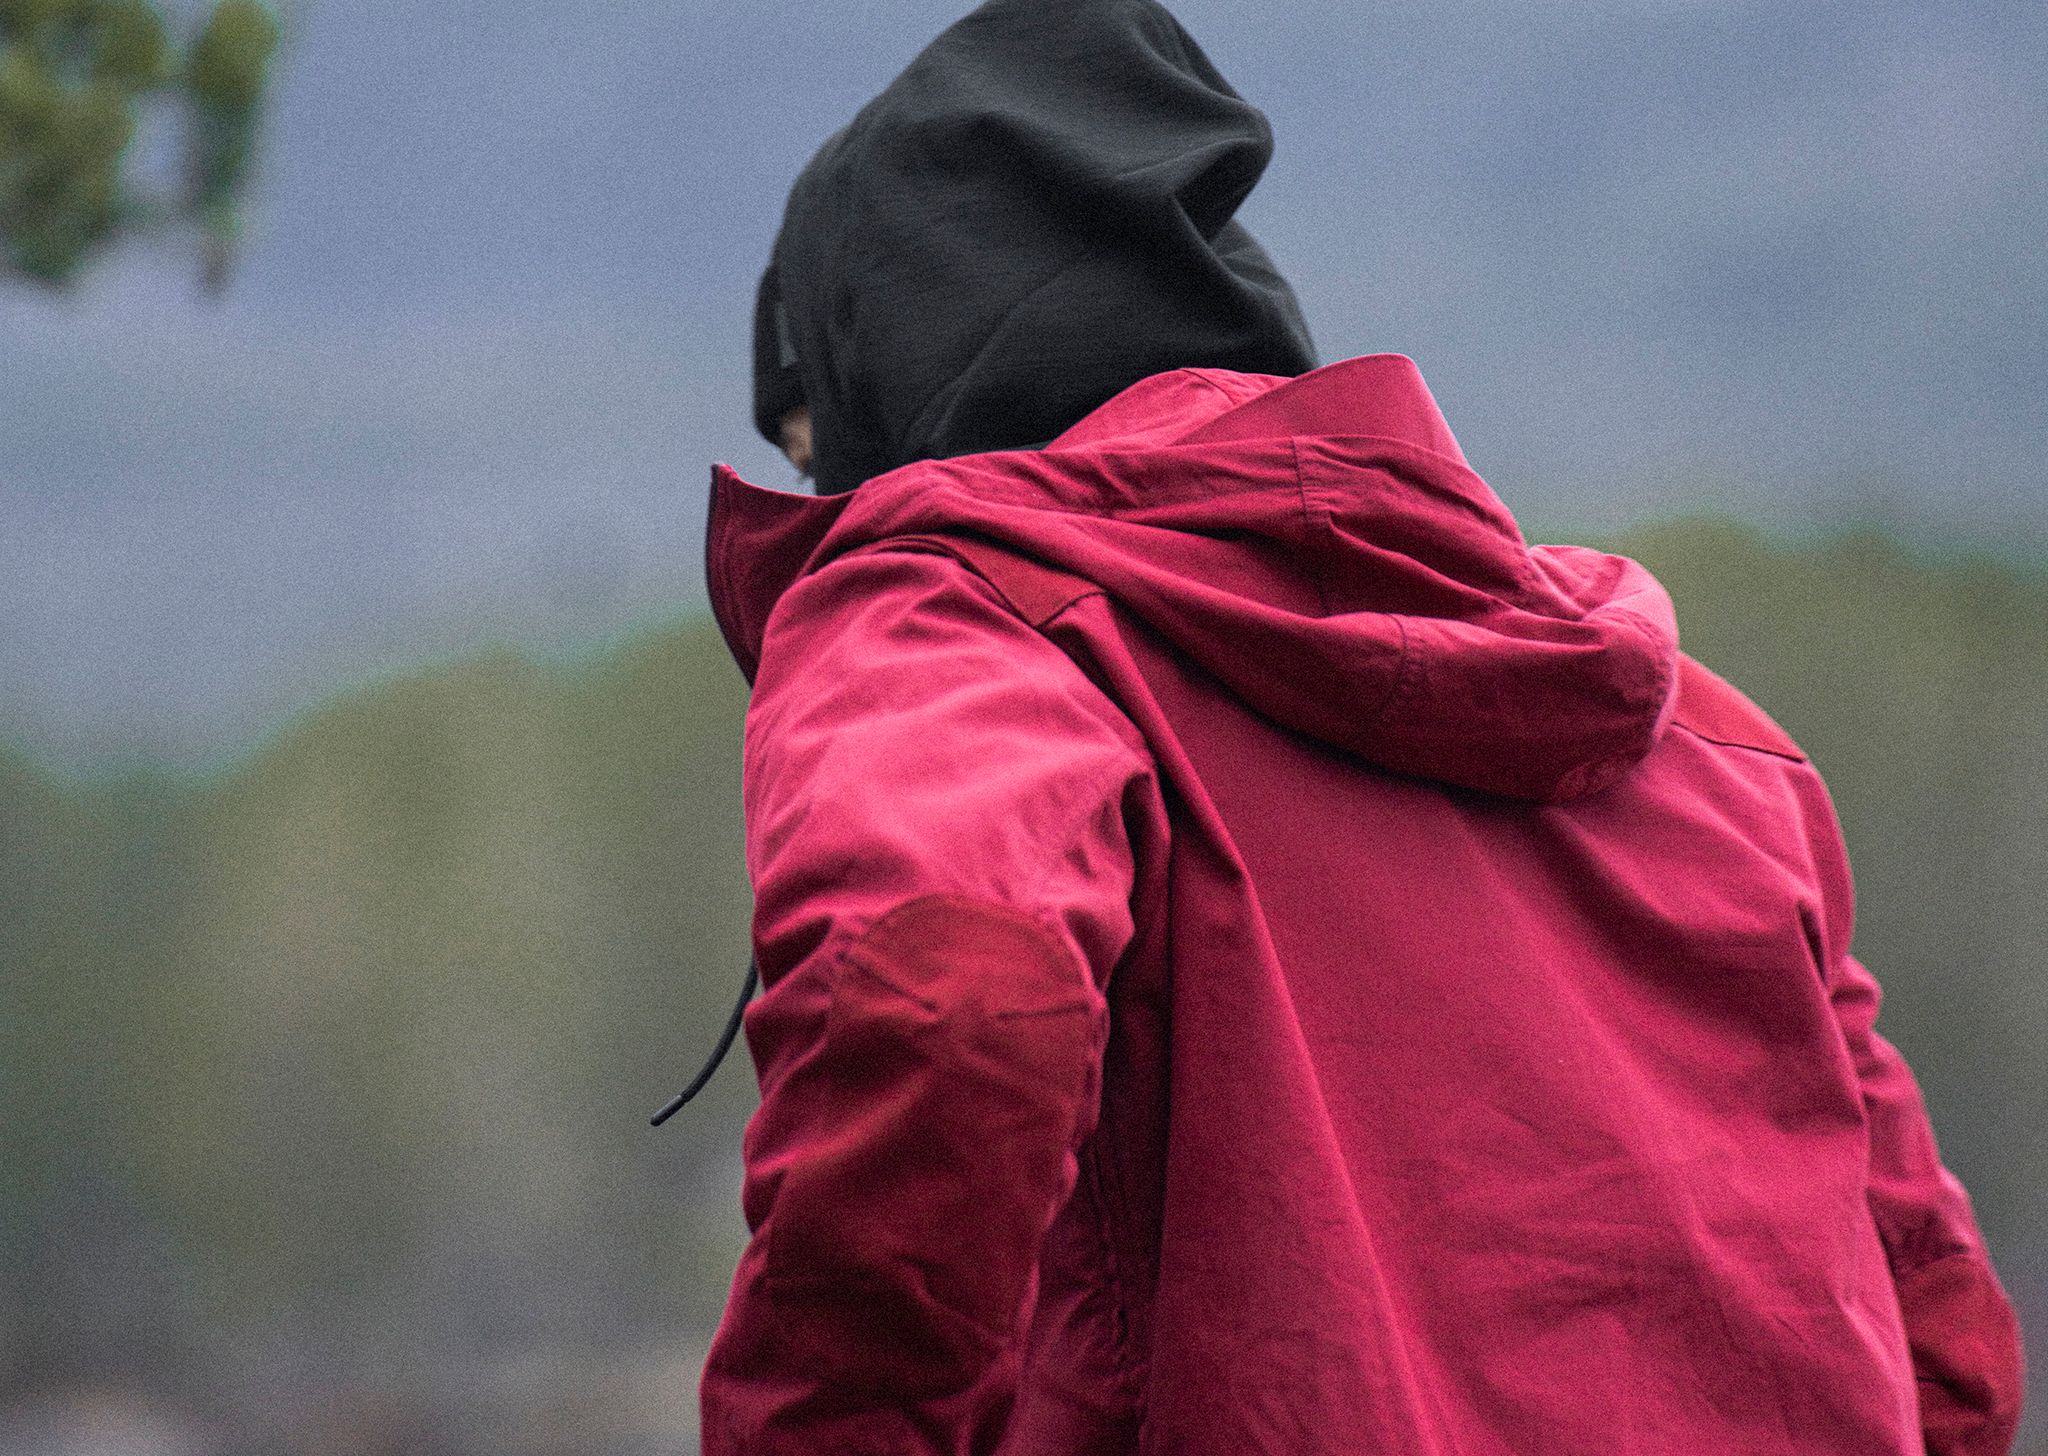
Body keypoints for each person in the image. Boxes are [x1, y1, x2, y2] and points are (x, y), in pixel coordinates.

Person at [696, 2, 2025, 1452]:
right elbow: (1940, 1333)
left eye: (819, 454)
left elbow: (948, 992)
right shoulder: (1701, 739)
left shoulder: (950, 617)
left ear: (896, 385)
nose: (825, 512)